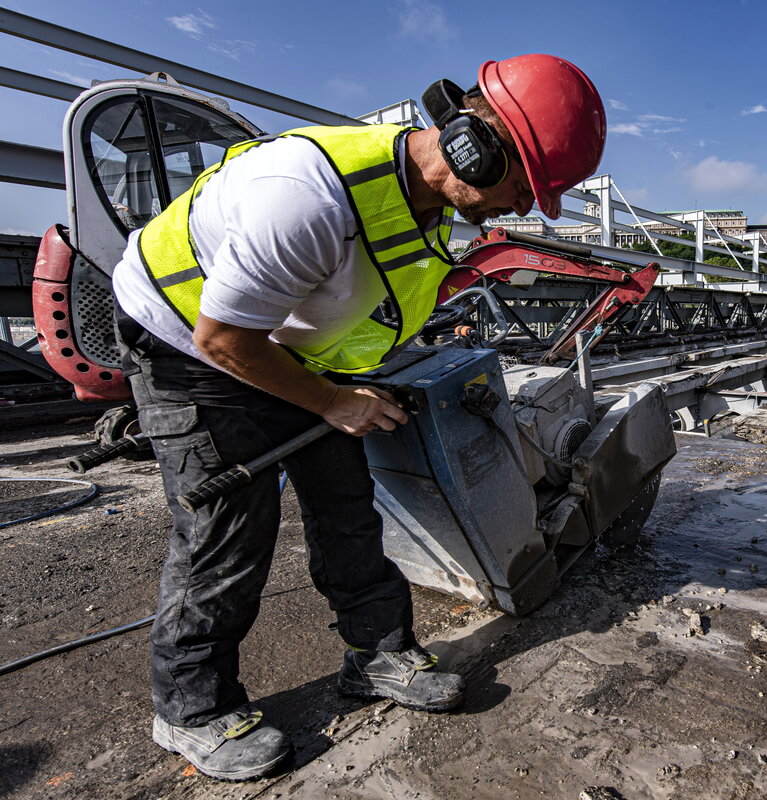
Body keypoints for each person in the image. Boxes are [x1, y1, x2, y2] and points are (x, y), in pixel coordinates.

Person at [111, 54, 606, 781]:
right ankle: (190, 710)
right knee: (226, 535)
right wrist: (333, 404)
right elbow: (225, 340)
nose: (526, 206)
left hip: (297, 349)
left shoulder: (434, 206)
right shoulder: (306, 199)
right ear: (475, 145)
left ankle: (375, 655)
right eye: (524, 186)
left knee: (346, 506)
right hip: (190, 345)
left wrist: (349, 385)